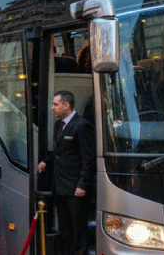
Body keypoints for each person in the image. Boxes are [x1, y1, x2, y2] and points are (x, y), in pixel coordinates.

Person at [37, 91, 94, 255]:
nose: (52, 108)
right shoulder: (58, 125)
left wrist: (82, 185)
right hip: (60, 186)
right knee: (65, 228)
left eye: (55, 104)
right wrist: (46, 161)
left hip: (76, 189)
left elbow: (88, 159)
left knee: (77, 229)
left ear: (66, 105)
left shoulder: (82, 125)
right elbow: (59, 152)